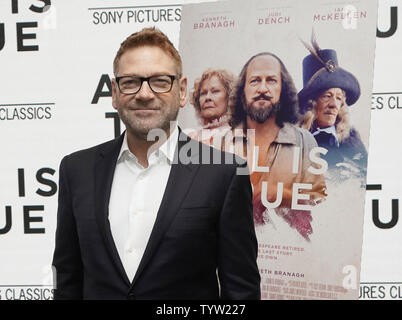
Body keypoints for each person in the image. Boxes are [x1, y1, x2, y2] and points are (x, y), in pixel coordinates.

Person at [52, 27, 260, 300]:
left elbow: (241, 293)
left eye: (161, 81)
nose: (144, 94)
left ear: (182, 91)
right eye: (130, 82)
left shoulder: (225, 174)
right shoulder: (75, 170)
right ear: (114, 93)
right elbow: (67, 280)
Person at [223, 52, 327, 241]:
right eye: (254, 81)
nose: (263, 88)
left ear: (282, 89)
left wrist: (278, 194)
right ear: (242, 90)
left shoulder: (305, 141)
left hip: (287, 254)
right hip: (231, 255)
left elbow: (320, 202)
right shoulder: (222, 142)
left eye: (271, 80)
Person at [298, 46, 367, 178]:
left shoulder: (351, 139)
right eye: (327, 96)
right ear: (311, 103)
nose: (334, 105)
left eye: (339, 98)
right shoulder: (293, 139)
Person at [188, 69, 235, 146]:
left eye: (215, 91)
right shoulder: (188, 137)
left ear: (229, 96)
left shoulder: (237, 136)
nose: (208, 97)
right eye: (203, 93)